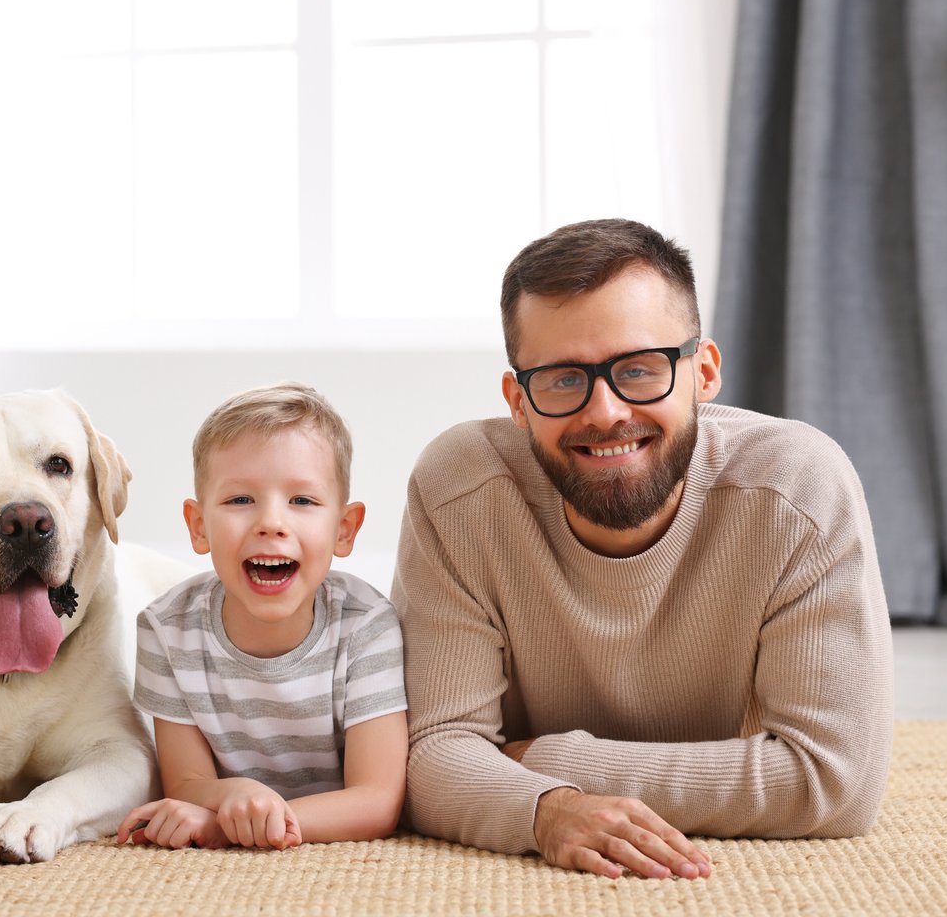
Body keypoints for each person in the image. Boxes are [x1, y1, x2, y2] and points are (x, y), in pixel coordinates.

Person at [394, 218, 892, 880]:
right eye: (564, 379)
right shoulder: (460, 486)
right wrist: (546, 812)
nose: (604, 412)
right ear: (518, 400)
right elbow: (433, 758)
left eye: (638, 369)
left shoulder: (799, 487)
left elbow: (833, 785)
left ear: (704, 372)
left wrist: (529, 762)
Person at [115, 383, 407, 851]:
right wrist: (232, 793)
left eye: (303, 501)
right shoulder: (166, 630)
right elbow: (187, 783)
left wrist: (224, 825)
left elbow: (376, 801)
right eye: (240, 500)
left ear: (344, 529)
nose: (271, 522)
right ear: (198, 526)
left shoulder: (367, 626)